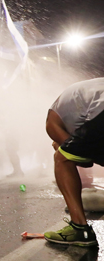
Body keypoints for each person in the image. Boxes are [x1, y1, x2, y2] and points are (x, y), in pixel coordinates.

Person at [43, 78, 102, 247]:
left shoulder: (51, 122)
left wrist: (59, 146)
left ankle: (79, 229)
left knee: (62, 158)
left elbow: (84, 159)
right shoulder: (79, 97)